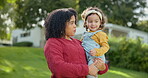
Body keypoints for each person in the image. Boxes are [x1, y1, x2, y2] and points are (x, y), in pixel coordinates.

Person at [44, 8, 108, 78]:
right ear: (60, 24)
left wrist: (102, 67)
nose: (75, 26)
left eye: (75, 23)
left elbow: (91, 62)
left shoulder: (79, 43)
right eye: (71, 23)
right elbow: (58, 67)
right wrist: (87, 69)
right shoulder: (53, 43)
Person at [81, 7, 110, 78]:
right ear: (86, 23)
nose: (93, 24)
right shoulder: (85, 35)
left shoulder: (101, 34)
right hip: (88, 58)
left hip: (96, 58)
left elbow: (106, 47)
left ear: (100, 23)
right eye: (90, 21)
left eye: (96, 21)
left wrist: (97, 51)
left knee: (90, 75)